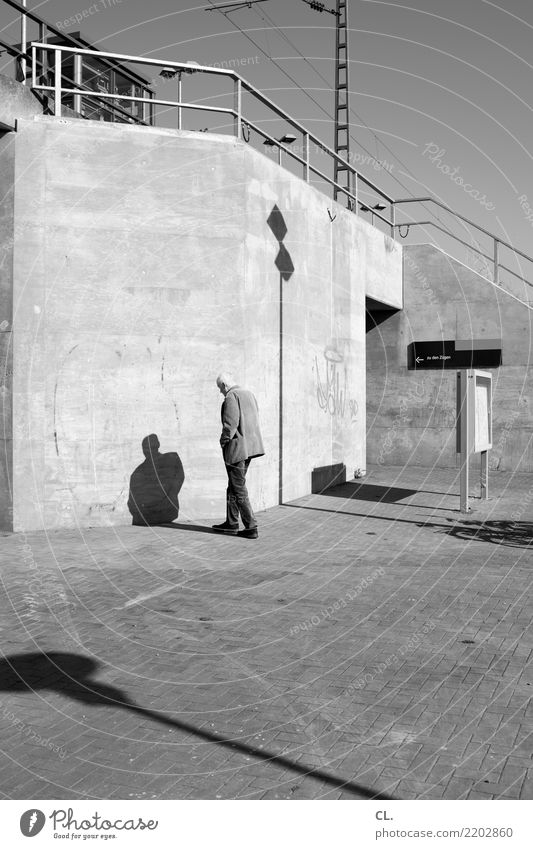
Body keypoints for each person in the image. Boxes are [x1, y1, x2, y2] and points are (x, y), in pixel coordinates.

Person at [213, 374, 265, 539]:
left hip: (237, 450)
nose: (221, 392)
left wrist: (223, 441)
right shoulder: (249, 394)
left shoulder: (231, 397)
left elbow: (230, 424)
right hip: (250, 448)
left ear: (225, 384)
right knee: (234, 486)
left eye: (220, 388)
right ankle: (231, 522)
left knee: (238, 487)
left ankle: (251, 526)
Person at [127, 434, 184, 526]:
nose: (148, 451)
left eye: (151, 447)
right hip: (146, 517)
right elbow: (132, 501)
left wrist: (169, 498)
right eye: (145, 448)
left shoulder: (171, 459)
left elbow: (179, 479)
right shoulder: (137, 473)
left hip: (166, 512)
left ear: (158, 445)